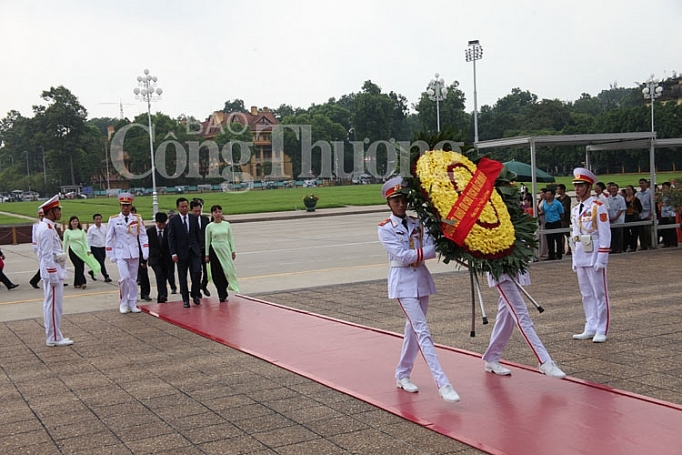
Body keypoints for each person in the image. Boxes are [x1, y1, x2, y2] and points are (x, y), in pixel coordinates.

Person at [377, 177, 460, 403]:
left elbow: (433, 239)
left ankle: (403, 373)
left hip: (421, 280)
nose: (401, 204)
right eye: (396, 201)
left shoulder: (417, 223)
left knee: (413, 330)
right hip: (403, 283)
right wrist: (432, 250)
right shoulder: (385, 229)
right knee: (422, 330)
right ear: (389, 203)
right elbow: (403, 256)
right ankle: (443, 383)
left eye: (404, 200)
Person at [482, 272, 566, 378]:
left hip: (515, 271)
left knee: (505, 317)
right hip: (501, 272)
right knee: (522, 317)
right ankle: (544, 361)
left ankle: (491, 357)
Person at [570, 168, 611, 343]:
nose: (577, 189)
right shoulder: (575, 209)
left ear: (589, 187)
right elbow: (574, 235)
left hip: (594, 253)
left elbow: (605, 233)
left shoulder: (598, 207)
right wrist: (573, 258)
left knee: (599, 293)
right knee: (586, 293)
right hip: (580, 253)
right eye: (576, 185)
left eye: (581, 185)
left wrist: (602, 257)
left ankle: (602, 328)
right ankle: (590, 325)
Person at [36, 195, 72, 346]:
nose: (60, 213)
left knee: (52, 305)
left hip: (53, 269)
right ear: (51, 211)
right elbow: (46, 254)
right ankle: (54, 337)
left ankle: (55, 334)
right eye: (58, 210)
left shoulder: (47, 226)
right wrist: (53, 275)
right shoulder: (47, 229)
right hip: (53, 271)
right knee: (53, 306)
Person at [106, 193, 149, 314]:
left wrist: (145, 251)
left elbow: (143, 236)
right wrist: (110, 254)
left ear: (131, 206)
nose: (125, 207)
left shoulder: (137, 219)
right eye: (123, 205)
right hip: (120, 253)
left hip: (134, 252)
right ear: (120, 206)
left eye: (128, 205)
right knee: (124, 278)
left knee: (133, 280)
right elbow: (109, 238)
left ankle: (132, 302)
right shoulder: (114, 219)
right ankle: (123, 302)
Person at [167, 197, 203, 308]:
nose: (184, 208)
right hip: (181, 253)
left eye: (186, 206)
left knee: (197, 272)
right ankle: (185, 300)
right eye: (182, 206)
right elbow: (171, 238)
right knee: (183, 277)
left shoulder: (193, 218)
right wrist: (173, 253)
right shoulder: (173, 221)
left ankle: (195, 293)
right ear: (178, 207)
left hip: (194, 252)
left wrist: (199, 248)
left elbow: (198, 235)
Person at [205, 204, 239, 302]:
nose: (218, 214)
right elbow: (207, 241)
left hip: (225, 249)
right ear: (212, 214)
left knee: (227, 271)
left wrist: (233, 251)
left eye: (219, 211)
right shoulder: (209, 226)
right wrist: (207, 255)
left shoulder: (226, 224)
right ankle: (221, 294)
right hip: (214, 250)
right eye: (215, 212)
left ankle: (225, 288)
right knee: (217, 273)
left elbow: (230, 238)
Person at [63, 215, 101, 289]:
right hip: (73, 251)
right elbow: (65, 242)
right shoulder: (67, 231)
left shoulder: (81, 230)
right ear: (70, 222)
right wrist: (63, 252)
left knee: (81, 266)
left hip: (82, 251)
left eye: (76, 221)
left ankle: (76, 283)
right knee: (77, 266)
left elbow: (85, 241)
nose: (75, 223)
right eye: (73, 221)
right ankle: (83, 282)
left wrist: (88, 250)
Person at [147, 212, 174, 303]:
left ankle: (161, 297)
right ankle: (163, 295)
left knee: (164, 277)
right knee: (159, 274)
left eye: (163, 224)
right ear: (156, 222)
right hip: (155, 259)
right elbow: (146, 246)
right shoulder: (150, 232)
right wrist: (144, 260)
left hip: (167, 259)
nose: (162, 226)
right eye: (160, 224)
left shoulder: (169, 230)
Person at [190, 199, 211, 297]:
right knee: (197, 271)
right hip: (194, 251)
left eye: (199, 211)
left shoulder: (205, 219)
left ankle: (204, 285)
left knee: (207, 271)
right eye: (195, 211)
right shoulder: (189, 220)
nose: (198, 213)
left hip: (204, 249)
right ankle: (197, 289)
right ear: (191, 210)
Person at [130, 206, 151, 301]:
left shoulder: (140, 224)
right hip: (130, 253)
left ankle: (145, 293)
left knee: (143, 274)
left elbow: (144, 239)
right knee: (130, 276)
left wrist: (144, 257)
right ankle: (132, 295)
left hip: (140, 253)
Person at [537, 186, 564, 260]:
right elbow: (543, 211)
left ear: (552, 195)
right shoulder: (545, 203)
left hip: (556, 222)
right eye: (546, 194)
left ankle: (559, 255)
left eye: (548, 194)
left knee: (558, 240)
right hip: (548, 223)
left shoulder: (557, 203)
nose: (547, 196)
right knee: (549, 240)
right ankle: (551, 255)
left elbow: (561, 213)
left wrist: (558, 219)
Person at [86, 213, 112, 282]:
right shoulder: (91, 229)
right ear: (94, 220)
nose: (98, 221)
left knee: (100, 262)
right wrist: (88, 249)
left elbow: (107, 236)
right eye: (97, 219)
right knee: (101, 262)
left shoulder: (104, 227)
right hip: (95, 247)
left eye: (100, 219)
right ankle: (106, 276)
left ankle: (92, 271)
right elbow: (88, 240)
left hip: (103, 247)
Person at [607, 182, 626, 254]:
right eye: (612, 189)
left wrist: (615, 217)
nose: (613, 190)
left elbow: (621, 209)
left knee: (619, 235)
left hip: (618, 220)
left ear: (617, 189)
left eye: (615, 189)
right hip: (611, 220)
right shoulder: (608, 199)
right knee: (612, 235)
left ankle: (619, 248)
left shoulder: (620, 199)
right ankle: (613, 248)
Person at [29, 208, 45, 289]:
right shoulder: (36, 226)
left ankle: (35, 280)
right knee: (43, 264)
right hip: (40, 248)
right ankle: (36, 280)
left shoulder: (48, 224)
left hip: (47, 247)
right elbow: (34, 237)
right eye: (41, 216)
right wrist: (35, 247)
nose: (42, 217)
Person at [624, 185, 643, 252]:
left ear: (632, 190)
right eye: (627, 190)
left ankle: (633, 247)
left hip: (634, 218)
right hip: (626, 218)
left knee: (634, 233)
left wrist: (634, 211)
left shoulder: (636, 199)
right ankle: (628, 245)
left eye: (629, 190)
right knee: (626, 233)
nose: (628, 191)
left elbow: (640, 209)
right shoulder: (624, 199)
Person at [659, 182, 678, 248]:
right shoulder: (662, 195)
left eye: (665, 187)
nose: (663, 189)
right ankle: (666, 242)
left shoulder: (672, 195)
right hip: (664, 214)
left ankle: (673, 242)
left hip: (670, 214)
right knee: (664, 230)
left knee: (671, 230)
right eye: (663, 187)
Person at [555, 183, 573, 256]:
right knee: (560, 235)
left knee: (567, 234)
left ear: (562, 190)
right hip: (559, 218)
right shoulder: (557, 199)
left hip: (565, 219)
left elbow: (565, 208)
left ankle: (570, 248)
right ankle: (562, 248)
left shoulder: (567, 198)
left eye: (558, 189)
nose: (557, 191)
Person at [636, 178, 653, 250]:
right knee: (641, 231)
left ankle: (650, 244)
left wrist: (650, 214)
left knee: (647, 231)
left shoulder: (650, 193)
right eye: (640, 183)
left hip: (647, 213)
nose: (641, 184)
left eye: (643, 183)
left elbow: (651, 204)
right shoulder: (638, 194)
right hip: (640, 214)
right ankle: (643, 245)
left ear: (646, 184)